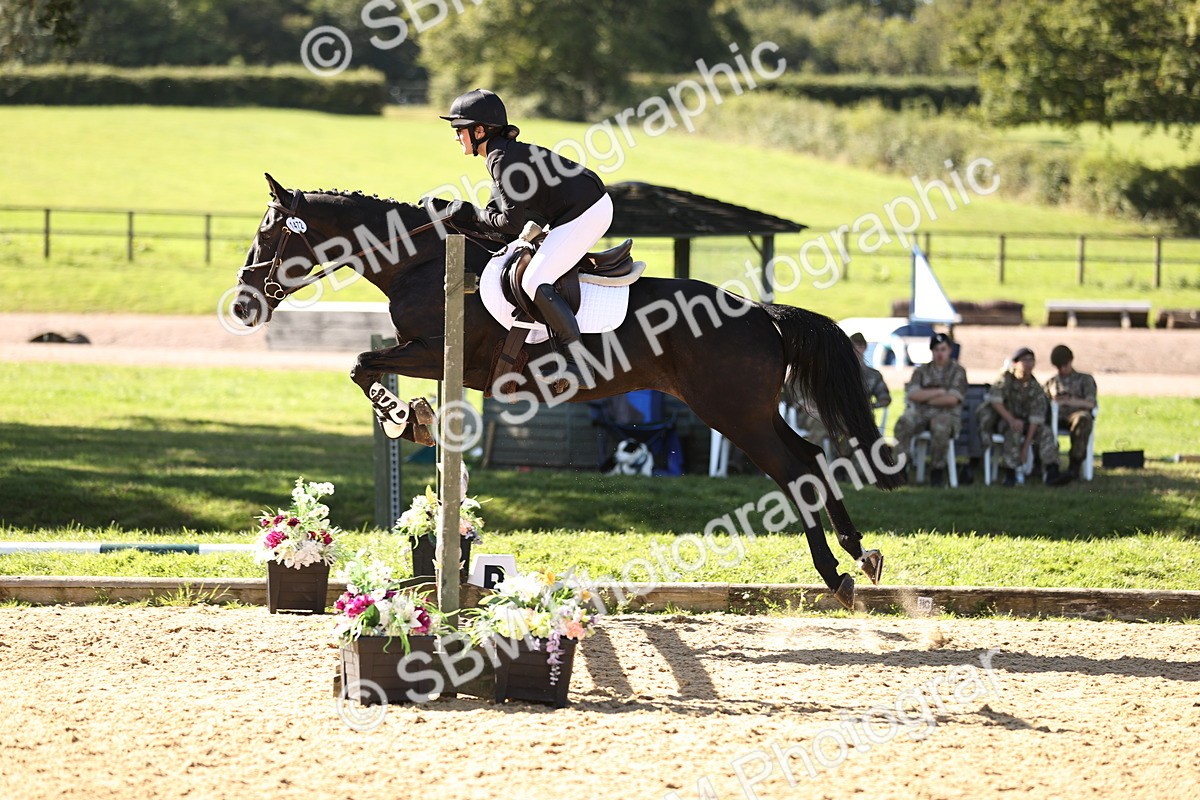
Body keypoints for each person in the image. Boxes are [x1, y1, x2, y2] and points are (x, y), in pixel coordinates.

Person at [439, 88, 612, 386]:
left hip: (587, 212)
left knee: (535, 280)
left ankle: (579, 363)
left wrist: (466, 212)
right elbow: (497, 215)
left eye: (459, 129)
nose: (456, 137)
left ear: (479, 130)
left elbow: (508, 223)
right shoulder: (501, 154)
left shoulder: (502, 159)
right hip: (578, 209)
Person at [976, 347, 1068, 486]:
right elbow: (995, 400)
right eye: (1025, 360)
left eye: (1032, 360)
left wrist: (1025, 447)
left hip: (1027, 424)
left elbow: (1036, 418)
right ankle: (1010, 473)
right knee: (1014, 430)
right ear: (1015, 363)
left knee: (1046, 433)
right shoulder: (1006, 379)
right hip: (1005, 420)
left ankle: (1052, 472)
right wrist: (1011, 420)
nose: (1029, 364)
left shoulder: (1035, 387)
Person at [893, 332, 966, 487]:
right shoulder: (921, 371)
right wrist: (939, 392)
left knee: (941, 426)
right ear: (932, 351)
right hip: (921, 413)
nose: (940, 353)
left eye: (943, 349)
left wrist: (926, 398)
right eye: (936, 349)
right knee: (904, 422)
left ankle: (937, 471)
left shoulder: (957, 371)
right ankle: (902, 468)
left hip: (946, 414)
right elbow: (913, 394)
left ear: (950, 350)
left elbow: (952, 399)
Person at [1043, 344, 1097, 481]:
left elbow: (1090, 403)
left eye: (1064, 366)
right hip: (1056, 417)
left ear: (1071, 361)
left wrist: (1070, 401)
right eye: (1058, 367)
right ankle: (1047, 466)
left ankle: (1074, 466)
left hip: (1075, 416)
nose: (1061, 370)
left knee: (1083, 420)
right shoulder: (1052, 382)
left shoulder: (1085, 380)